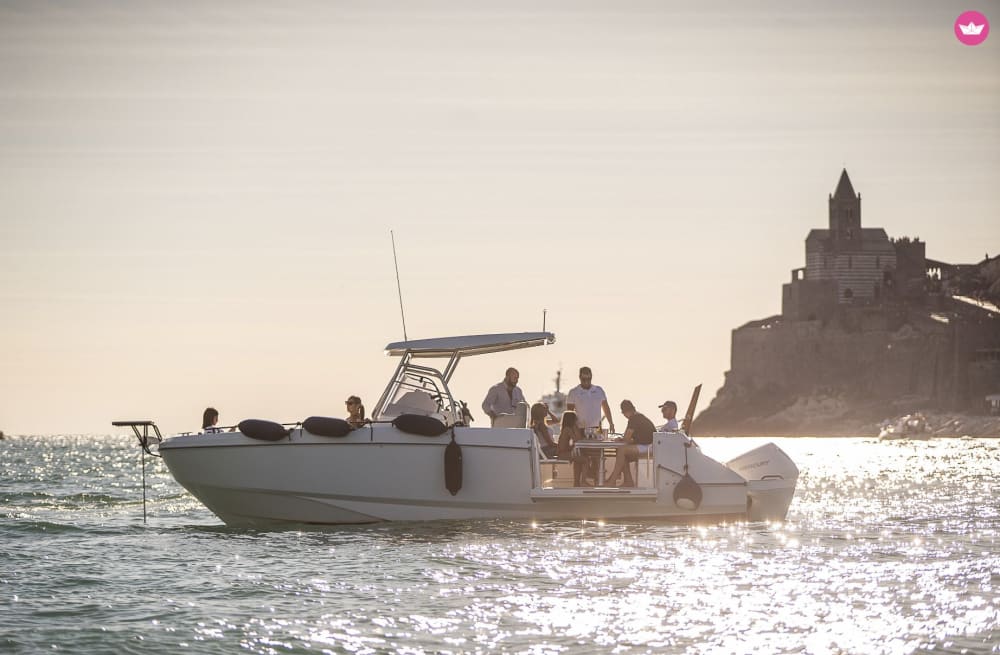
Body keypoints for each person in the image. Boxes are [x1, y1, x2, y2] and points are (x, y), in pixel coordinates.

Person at [603, 399, 655, 487]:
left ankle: (612, 480)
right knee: (622, 454)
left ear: (625, 412)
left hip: (649, 447)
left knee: (622, 451)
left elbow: (626, 438)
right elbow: (632, 438)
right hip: (647, 445)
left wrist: (620, 440)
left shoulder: (634, 418)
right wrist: (622, 439)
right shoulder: (638, 416)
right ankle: (628, 481)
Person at [566, 366, 615, 435]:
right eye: (584, 379)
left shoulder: (599, 390)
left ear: (591, 377)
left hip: (597, 428)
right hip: (580, 429)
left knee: (596, 445)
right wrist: (573, 429)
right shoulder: (573, 392)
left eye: (589, 379)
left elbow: (606, 408)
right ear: (580, 378)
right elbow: (569, 414)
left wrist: (611, 423)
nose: (586, 381)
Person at [556, 411, 594, 487]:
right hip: (562, 454)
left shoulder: (566, 429)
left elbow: (573, 442)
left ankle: (576, 483)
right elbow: (578, 439)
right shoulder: (568, 429)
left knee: (578, 460)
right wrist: (575, 427)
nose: (577, 421)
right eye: (576, 419)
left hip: (563, 452)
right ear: (572, 420)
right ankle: (583, 481)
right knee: (586, 460)